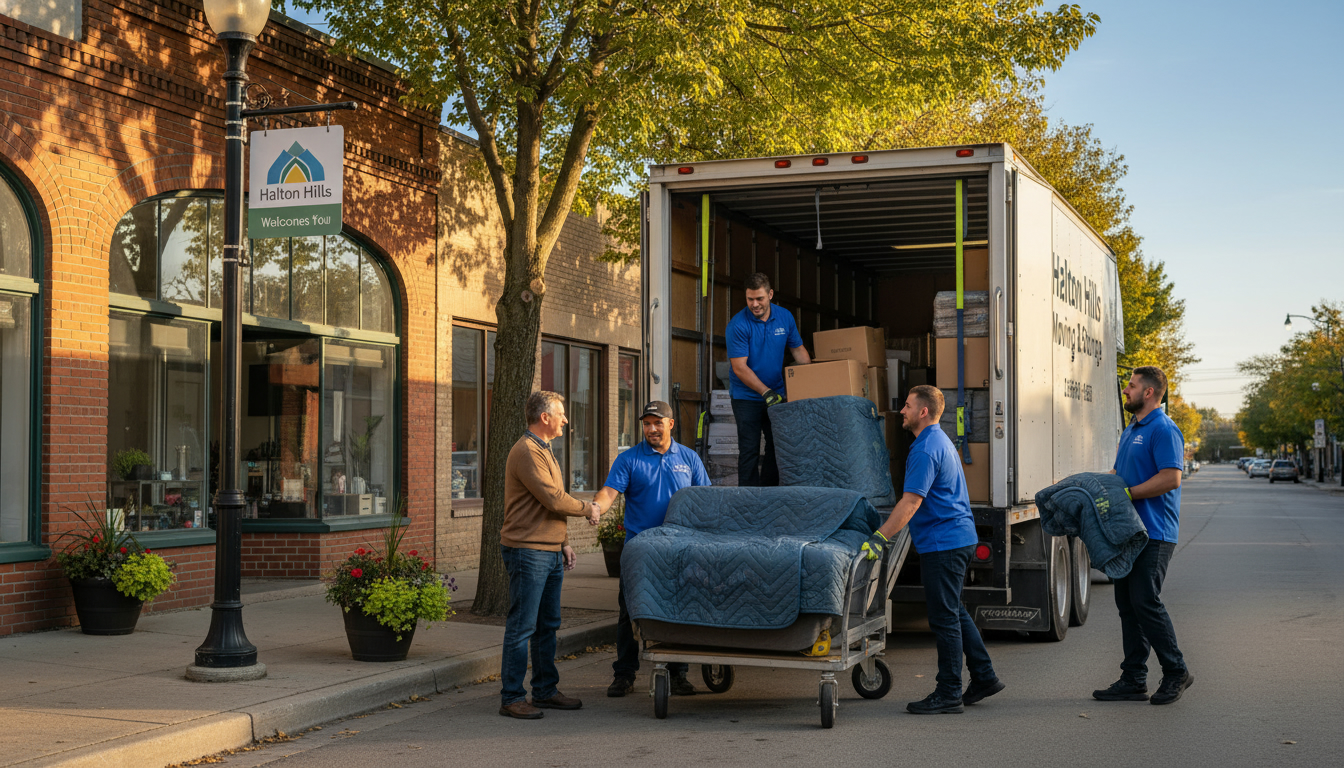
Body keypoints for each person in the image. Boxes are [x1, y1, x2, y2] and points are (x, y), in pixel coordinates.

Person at [863, 385, 1003, 714]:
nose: (902, 411)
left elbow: (911, 502)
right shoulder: (940, 440)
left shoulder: (925, 449)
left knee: (943, 619)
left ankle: (949, 691)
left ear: (923, 412)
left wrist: (880, 537)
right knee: (953, 611)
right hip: (957, 537)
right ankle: (984, 676)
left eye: (908, 406)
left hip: (944, 543)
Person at [591, 401, 711, 698]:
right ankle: (624, 674)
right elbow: (609, 492)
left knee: (678, 608)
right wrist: (596, 507)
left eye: (658, 423)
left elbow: (705, 499)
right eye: (647, 423)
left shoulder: (689, 458)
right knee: (629, 611)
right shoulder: (629, 459)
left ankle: (677, 673)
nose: (652, 429)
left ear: (671, 424)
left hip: (680, 546)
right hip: (640, 548)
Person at [497, 391, 601, 720]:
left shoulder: (545, 449)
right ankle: (512, 697)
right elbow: (554, 499)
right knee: (522, 626)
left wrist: (564, 541)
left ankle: (544, 690)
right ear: (545, 418)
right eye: (561, 415)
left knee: (547, 626)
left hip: (548, 550)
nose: (565, 420)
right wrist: (589, 508)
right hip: (527, 551)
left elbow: (549, 504)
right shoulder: (527, 451)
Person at [1095, 366, 1192, 705]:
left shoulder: (1164, 429)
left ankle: (1176, 671)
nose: (1126, 391)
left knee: (1144, 601)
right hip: (1129, 533)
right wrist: (1094, 486)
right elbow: (1120, 475)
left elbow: (1171, 478)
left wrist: (1128, 494)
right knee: (1127, 605)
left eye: (1132, 386)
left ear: (1148, 392)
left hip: (1156, 532)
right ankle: (1134, 678)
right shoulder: (1132, 429)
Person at [726, 272, 810, 486]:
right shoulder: (738, 325)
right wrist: (766, 392)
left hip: (777, 392)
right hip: (746, 397)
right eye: (750, 299)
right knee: (749, 448)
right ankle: (748, 499)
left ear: (770, 294)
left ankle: (769, 493)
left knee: (777, 445)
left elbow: (798, 351)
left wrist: (808, 383)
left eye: (759, 298)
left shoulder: (785, 317)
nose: (755, 304)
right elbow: (739, 367)